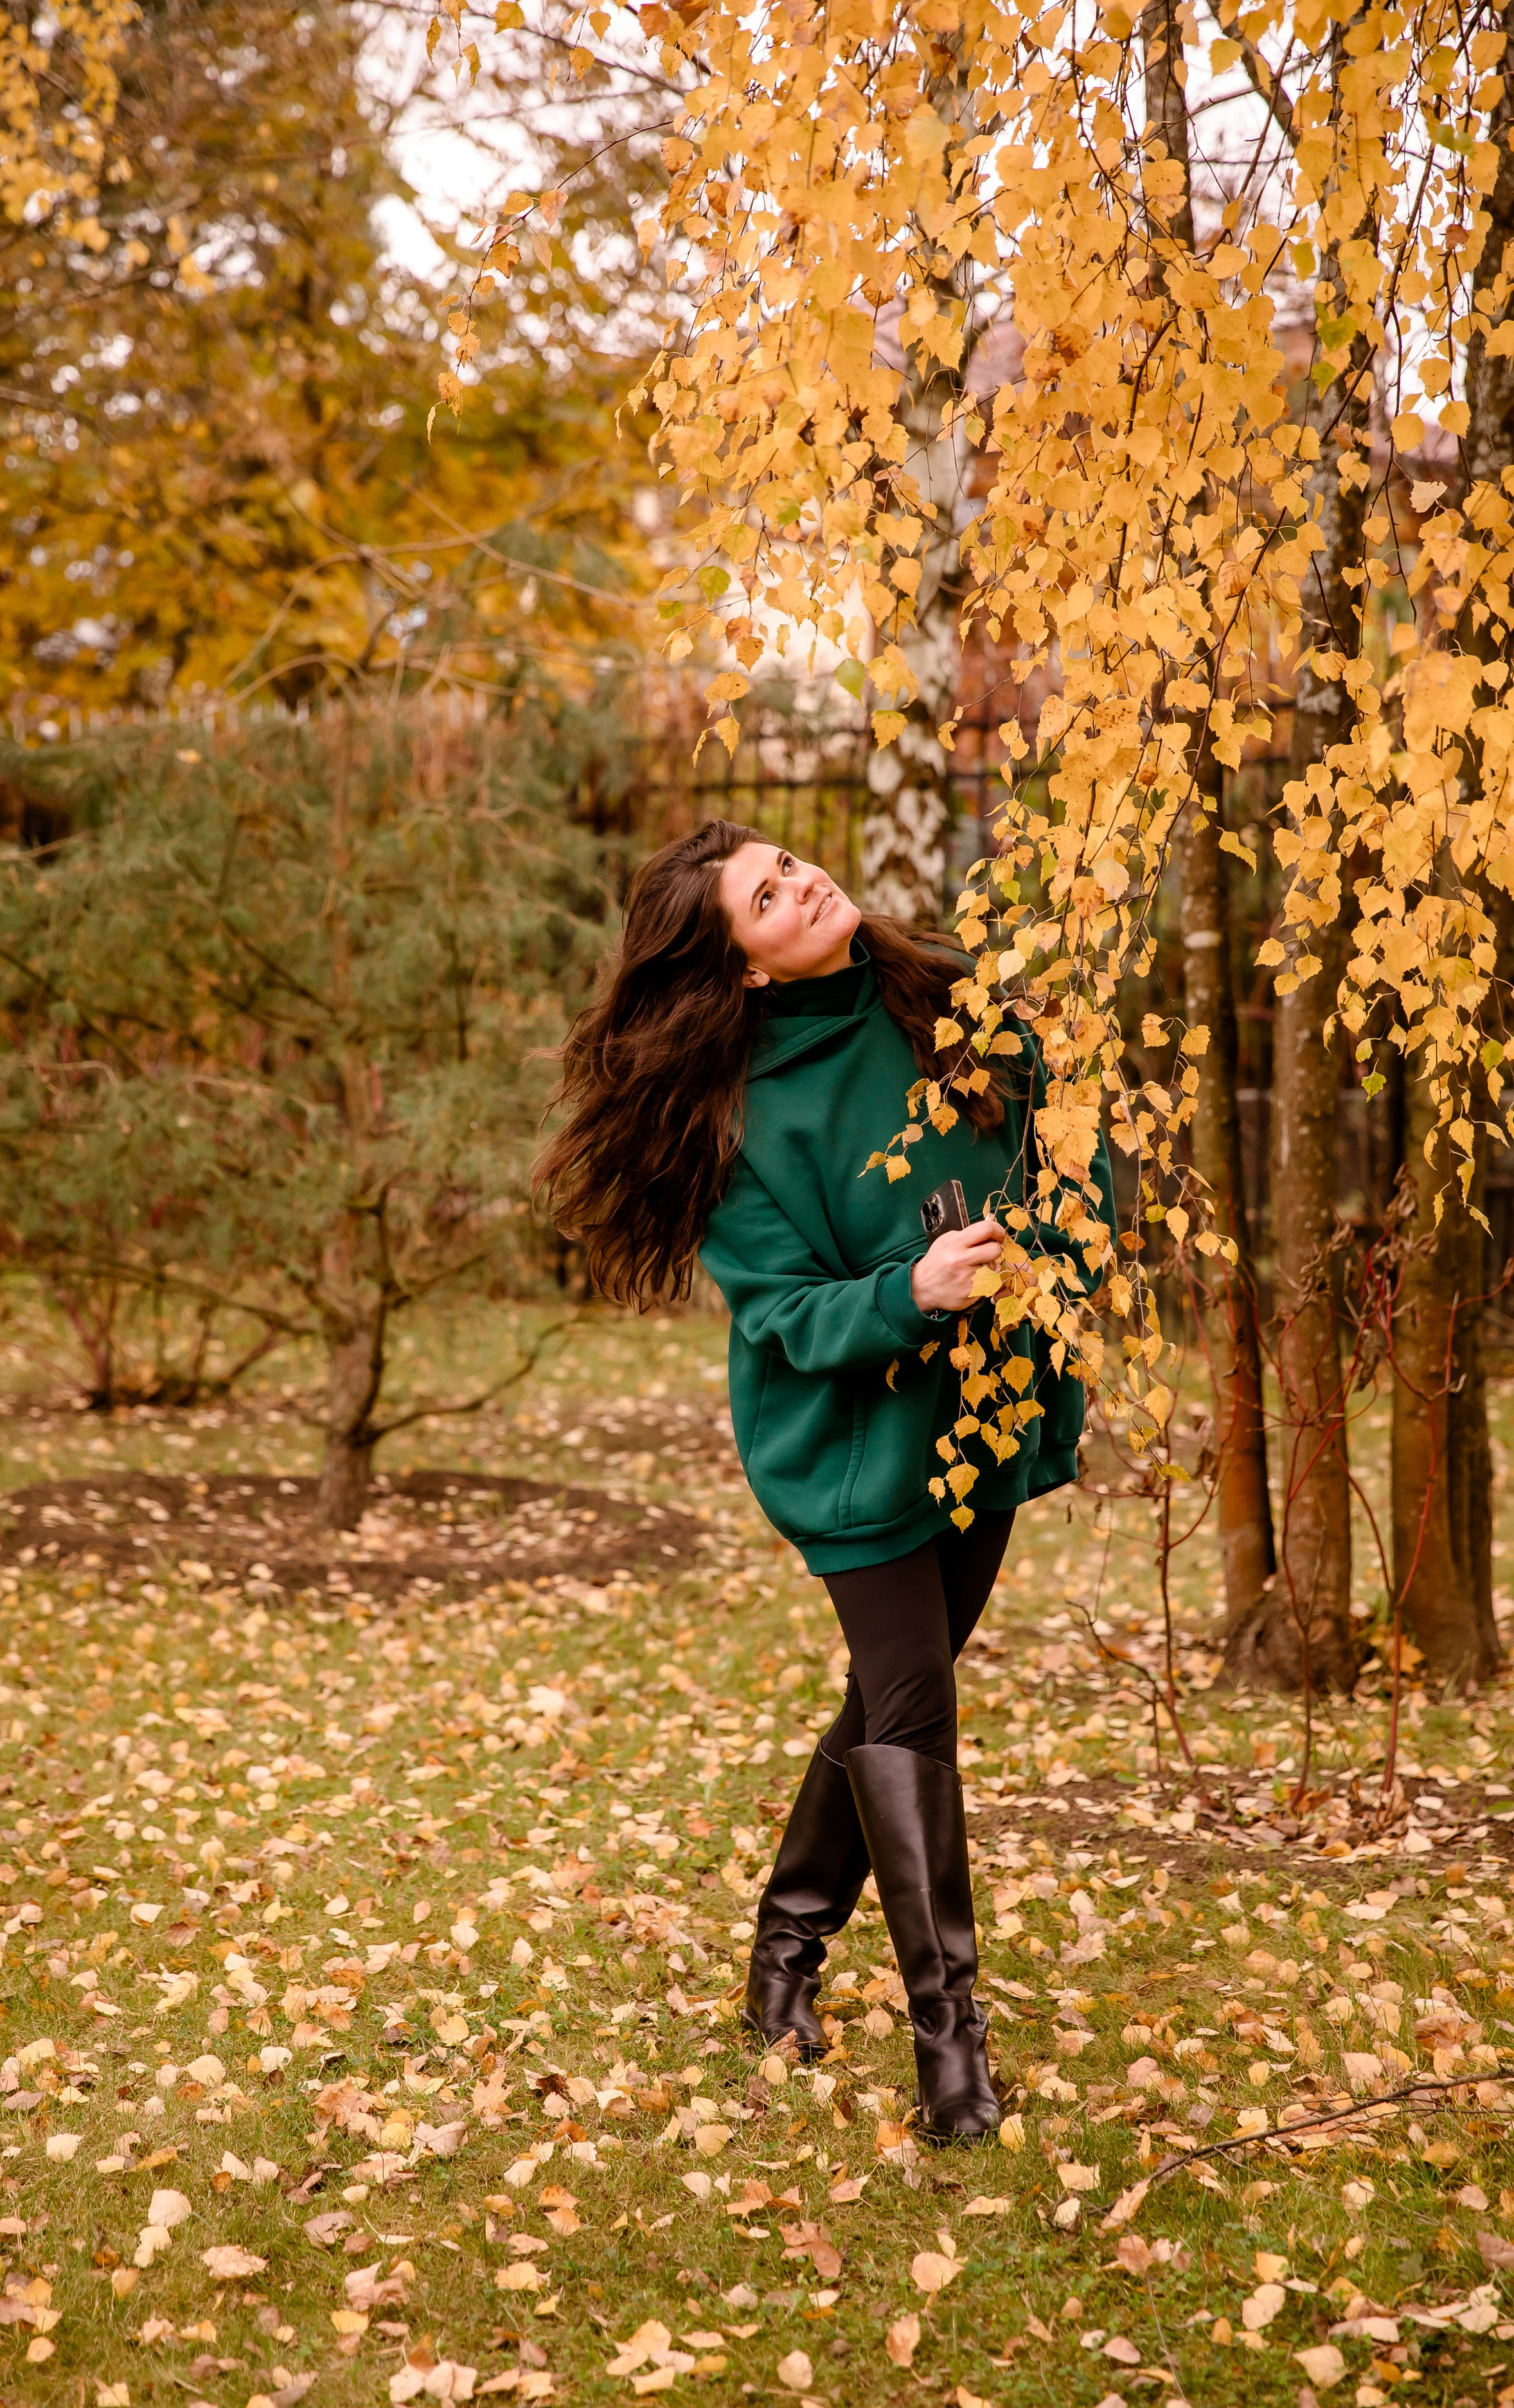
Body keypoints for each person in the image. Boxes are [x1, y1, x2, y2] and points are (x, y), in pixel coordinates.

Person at [536, 819, 1114, 2144]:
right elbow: (786, 1315)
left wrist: (1057, 1248)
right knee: (911, 1709)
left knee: (888, 1697)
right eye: (767, 894)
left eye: (793, 865)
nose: (805, 883)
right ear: (736, 964)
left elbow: (1075, 1140)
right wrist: (907, 1289)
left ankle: (783, 1948)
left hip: (980, 1414)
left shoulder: (945, 999)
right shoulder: (727, 1118)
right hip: (848, 1446)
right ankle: (948, 2056)